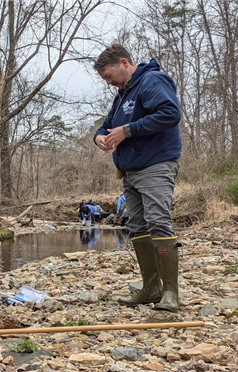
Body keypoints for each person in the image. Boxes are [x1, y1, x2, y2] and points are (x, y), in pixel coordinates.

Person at [93, 44, 182, 312]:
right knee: (138, 226)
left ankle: (170, 293)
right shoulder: (122, 94)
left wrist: (128, 131)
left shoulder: (152, 80)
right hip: (129, 171)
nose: (108, 82)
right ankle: (151, 288)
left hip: (155, 164)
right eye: (104, 79)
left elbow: (170, 113)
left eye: (109, 75)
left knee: (158, 222)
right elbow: (106, 124)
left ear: (123, 63)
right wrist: (99, 136)